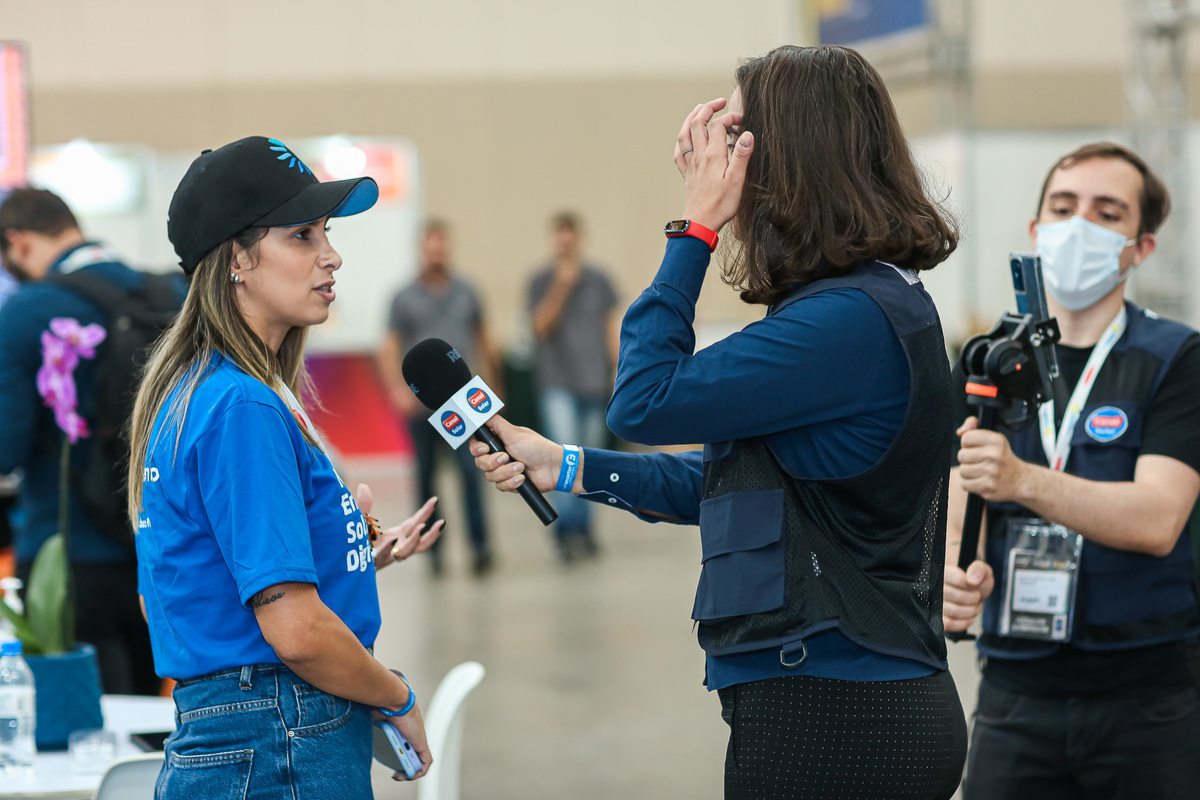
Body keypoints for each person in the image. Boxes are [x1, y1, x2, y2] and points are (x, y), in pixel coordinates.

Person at [474, 45, 966, 799]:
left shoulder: (847, 323)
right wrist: (565, 465)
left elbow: (643, 399)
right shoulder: (854, 309)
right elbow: (741, 489)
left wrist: (695, 227)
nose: (709, 154)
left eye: (735, 136)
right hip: (837, 697)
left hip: (838, 710)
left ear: (790, 155)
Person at [127, 136, 443, 797]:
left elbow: (210, 582)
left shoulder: (212, 390)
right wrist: (395, 695)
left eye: (325, 233)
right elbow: (295, 631)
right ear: (237, 258)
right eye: (301, 235)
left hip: (252, 733)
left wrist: (351, 550)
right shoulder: (242, 405)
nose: (331, 256)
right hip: (276, 732)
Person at [943, 142, 1200, 798]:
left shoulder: (1175, 358)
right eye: (1064, 206)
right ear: (1037, 231)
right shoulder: (989, 362)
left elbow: (1158, 520)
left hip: (1147, 700)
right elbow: (959, 488)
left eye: (1107, 212)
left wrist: (1025, 480)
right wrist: (949, 571)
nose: (1079, 224)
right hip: (1015, 693)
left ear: (1140, 248)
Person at [0, 188, 160, 695]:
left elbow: (6, 447)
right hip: (160, 546)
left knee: (83, 724)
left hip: (66, 555)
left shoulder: (27, 310)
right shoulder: (166, 294)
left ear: (17, 244)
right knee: (155, 726)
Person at [378, 220, 499, 576]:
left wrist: (493, 383)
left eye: (441, 246)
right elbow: (387, 347)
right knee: (427, 479)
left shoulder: (466, 291)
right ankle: (433, 551)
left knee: (471, 473)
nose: (436, 253)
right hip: (422, 406)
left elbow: (483, 338)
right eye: (430, 247)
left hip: (463, 403)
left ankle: (481, 548)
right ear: (421, 250)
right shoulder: (403, 296)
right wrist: (396, 391)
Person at [527, 211, 618, 562]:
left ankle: (584, 526)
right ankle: (565, 533)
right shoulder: (540, 280)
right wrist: (562, 285)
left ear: (579, 238)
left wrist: (618, 369)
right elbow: (540, 326)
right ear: (553, 239)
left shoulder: (599, 279)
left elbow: (610, 325)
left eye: (570, 234)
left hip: (594, 381)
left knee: (591, 460)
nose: (564, 241)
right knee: (563, 460)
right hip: (558, 385)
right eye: (559, 235)